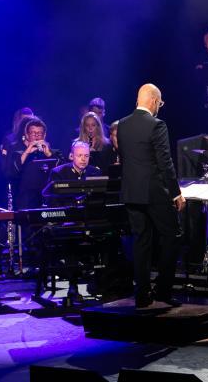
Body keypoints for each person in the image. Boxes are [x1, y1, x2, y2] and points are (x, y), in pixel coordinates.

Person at [117, 84, 185, 309]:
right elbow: (165, 163)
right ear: (154, 101)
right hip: (154, 192)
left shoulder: (123, 125)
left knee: (141, 242)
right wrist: (176, 193)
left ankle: (142, 295)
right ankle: (163, 291)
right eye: (160, 103)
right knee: (172, 236)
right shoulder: (157, 125)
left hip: (131, 192)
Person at [3, 117, 54, 209]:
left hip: (43, 196)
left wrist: (49, 154)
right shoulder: (15, 148)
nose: (37, 136)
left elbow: (60, 169)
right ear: (26, 135)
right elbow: (11, 172)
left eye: (40, 133)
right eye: (33, 133)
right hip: (23, 197)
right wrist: (27, 151)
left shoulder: (47, 149)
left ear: (44, 135)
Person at [43, 141, 102, 206]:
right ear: (71, 156)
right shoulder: (58, 173)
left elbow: (99, 199)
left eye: (86, 156)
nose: (83, 159)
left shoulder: (95, 172)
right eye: (80, 155)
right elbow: (53, 201)